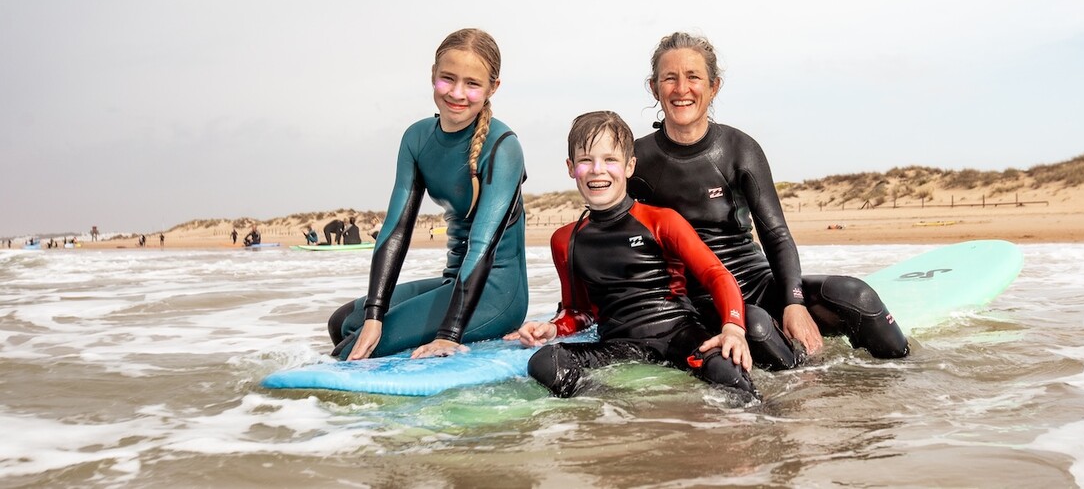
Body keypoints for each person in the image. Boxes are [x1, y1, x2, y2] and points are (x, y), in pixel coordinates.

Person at [627, 32, 909, 369]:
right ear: (654, 87)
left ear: (714, 86)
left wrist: (794, 303)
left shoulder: (739, 149)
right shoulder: (636, 160)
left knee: (857, 295)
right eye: (670, 78)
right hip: (698, 298)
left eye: (693, 77)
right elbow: (612, 234)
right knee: (759, 328)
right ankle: (804, 390)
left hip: (758, 281)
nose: (681, 89)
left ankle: (906, 378)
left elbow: (775, 235)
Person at [507, 111, 756, 399]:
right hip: (619, 345)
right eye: (586, 160)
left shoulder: (661, 221)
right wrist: (551, 329)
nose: (597, 170)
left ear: (629, 166)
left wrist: (733, 328)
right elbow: (580, 312)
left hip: (679, 335)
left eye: (610, 159)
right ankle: (616, 407)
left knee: (726, 367)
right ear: (571, 167)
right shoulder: (565, 240)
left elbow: (716, 275)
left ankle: (760, 416)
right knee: (545, 361)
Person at [326, 28, 529, 361]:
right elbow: (396, 231)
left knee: (351, 350)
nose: (457, 93)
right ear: (433, 74)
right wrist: (375, 314)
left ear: (493, 87)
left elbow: (482, 246)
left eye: (472, 84)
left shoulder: (503, 146)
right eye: (447, 79)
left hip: (495, 293)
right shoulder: (417, 138)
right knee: (344, 322)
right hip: (453, 281)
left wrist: (448, 336)